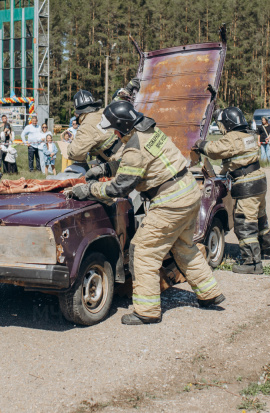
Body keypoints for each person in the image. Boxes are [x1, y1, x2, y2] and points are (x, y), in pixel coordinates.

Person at [66, 101, 224, 325]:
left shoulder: (133, 148)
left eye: (114, 129)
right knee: (184, 247)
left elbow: (119, 187)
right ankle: (210, 293)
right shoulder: (149, 131)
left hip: (170, 202)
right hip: (188, 193)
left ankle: (147, 310)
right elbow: (143, 162)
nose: (114, 133)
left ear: (121, 127)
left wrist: (88, 189)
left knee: (143, 251)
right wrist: (105, 168)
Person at [194, 107, 270, 274]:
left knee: (245, 222)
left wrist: (200, 144)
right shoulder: (248, 136)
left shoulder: (232, 138)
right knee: (260, 217)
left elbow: (215, 150)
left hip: (247, 185)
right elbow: (234, 159)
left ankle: (252, 263)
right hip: (259, 180)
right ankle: (267, 248)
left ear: (228, 123)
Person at [67, 90, 122, 170]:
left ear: (77, 111)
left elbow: (76, 153)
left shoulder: (86, 126)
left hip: (116, 159)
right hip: (128, 150)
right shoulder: (104, 111)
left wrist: (69, 147)